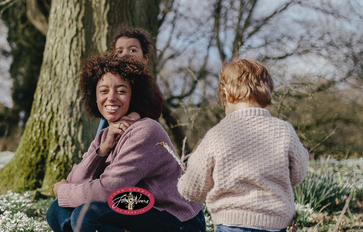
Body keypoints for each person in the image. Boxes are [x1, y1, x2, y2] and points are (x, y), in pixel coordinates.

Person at [46, 55, 205, 232]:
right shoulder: (105, 135)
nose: (111, 98)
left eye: (121, 91)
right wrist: (103, 150)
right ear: (94, 96)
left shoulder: (146, 131)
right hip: (138, 210)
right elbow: (75, 181)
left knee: (88, 215)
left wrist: (63, 191)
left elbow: (108, 191)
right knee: (57, 210)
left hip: (178, 220)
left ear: (133, 95)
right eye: (104, 91)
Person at [177, 58, 309, 232]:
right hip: (274, 224)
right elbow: (298, 173)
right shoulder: (284, 130)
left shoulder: (217, 135)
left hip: (231, 223)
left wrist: (183, 183)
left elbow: (194, 188)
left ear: (226, 93)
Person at [95, 27, 163, 136]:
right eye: (120, 51)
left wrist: (135, 115)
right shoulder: (111, 77)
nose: (125, 54)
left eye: (132, 50)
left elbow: (156, 105)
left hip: (133, 128)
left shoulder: (144, 81)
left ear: (145, 58)